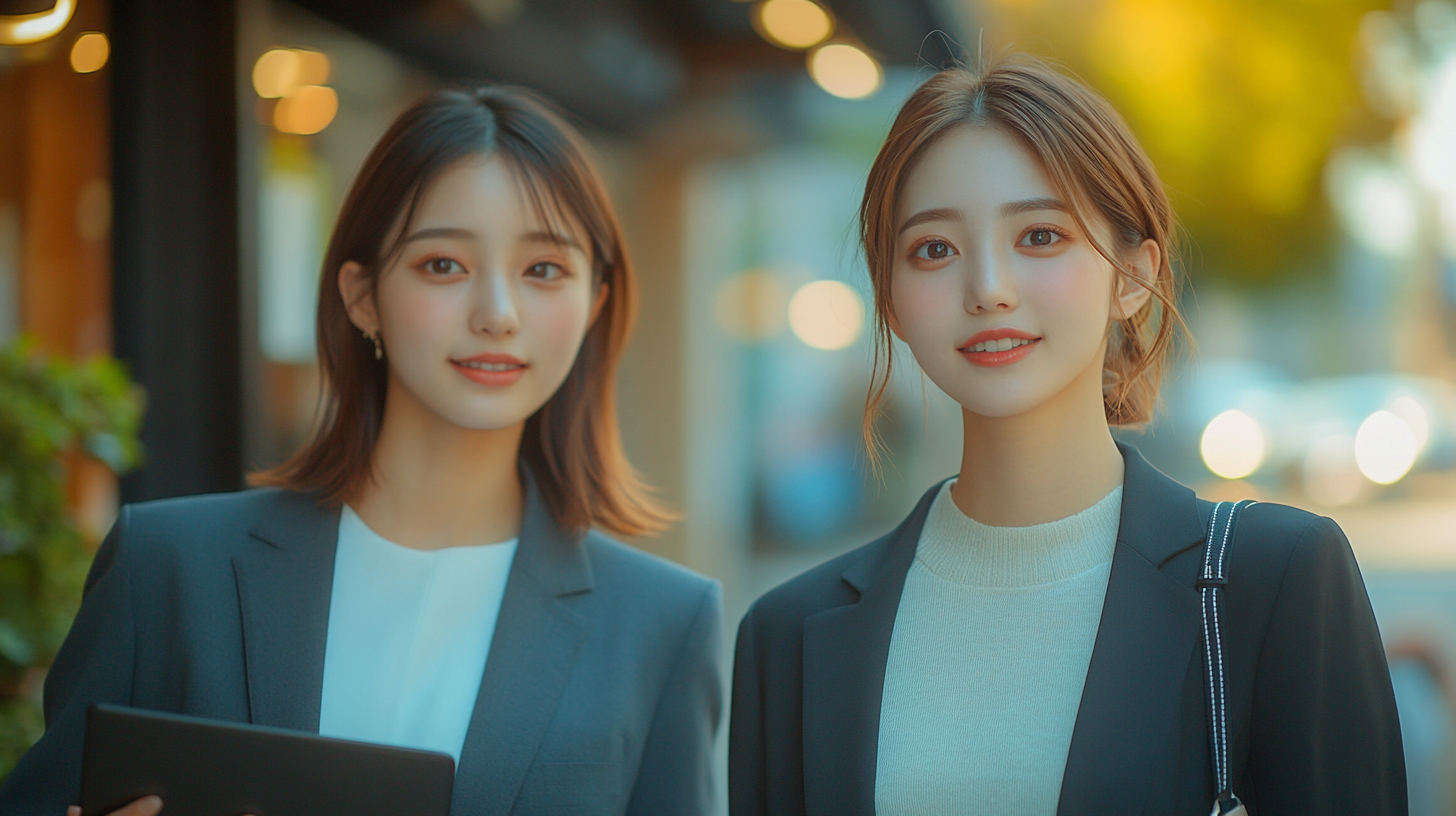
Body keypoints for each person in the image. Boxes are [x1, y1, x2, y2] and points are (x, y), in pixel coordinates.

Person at [0, 86, 722, 816]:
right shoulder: (169, 567)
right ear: (362, 295)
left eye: (544, 270)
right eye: (443, 264)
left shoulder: (660, 621)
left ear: (595, 302)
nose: (497, 315)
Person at [729, 54, 1405, 816]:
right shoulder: (787, 638)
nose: (988, 287)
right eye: (934, 249)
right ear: (891, 300)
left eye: (1041, 235)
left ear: (1130, 275)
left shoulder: (1274, 581)